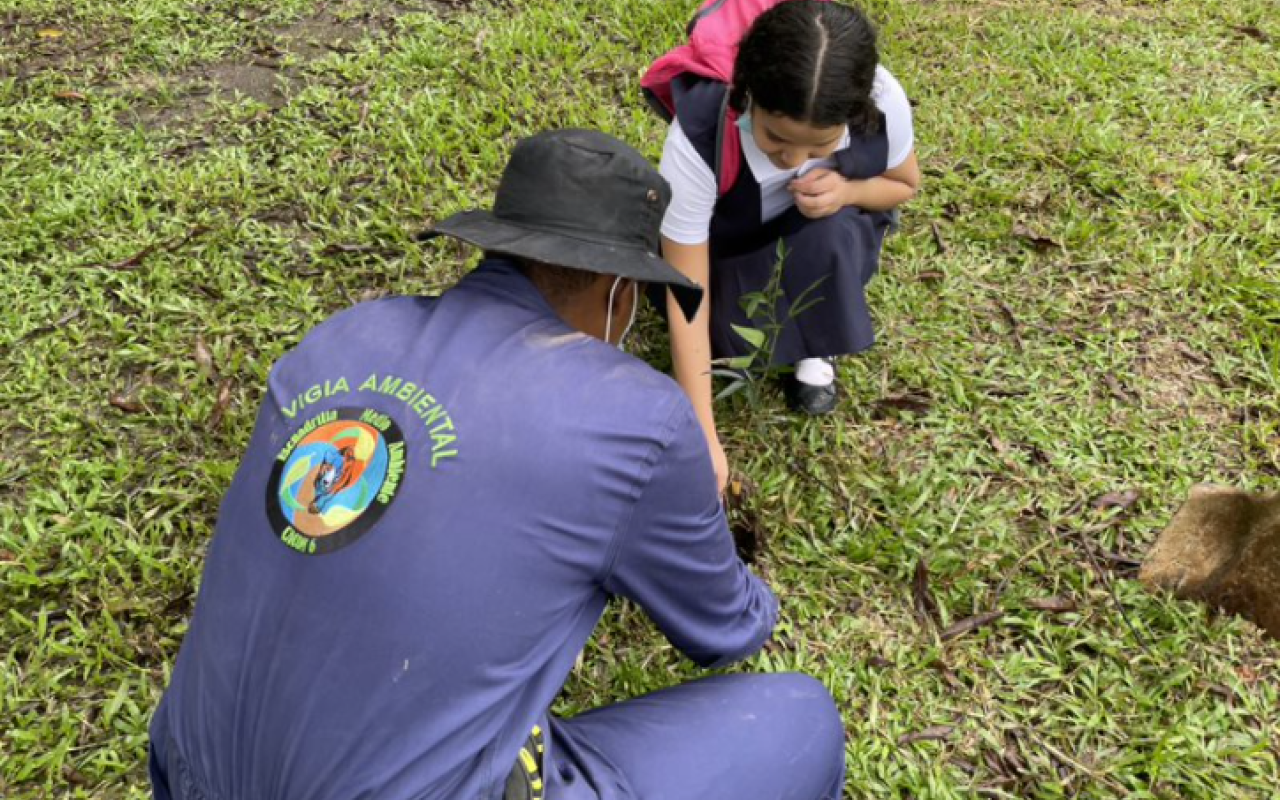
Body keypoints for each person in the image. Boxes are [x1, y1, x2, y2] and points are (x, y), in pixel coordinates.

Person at [147, 129, 846, 800]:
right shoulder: (636, 416)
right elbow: (726, 631)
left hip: (184, 772)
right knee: (800, 717)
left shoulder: (342, 336)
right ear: (620, 292)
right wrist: (749, 579)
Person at [651, 0, 921, 490]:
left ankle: (816, 348)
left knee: (834, 233)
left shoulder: (882, 99)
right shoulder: (700, 133)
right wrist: (704, 435)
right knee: (719, 342)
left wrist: (849, 191)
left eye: (820, 147)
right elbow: (685, 290)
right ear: (746, 93)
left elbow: (903, 183)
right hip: (727, 245)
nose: (790, 159)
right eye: (774, 137)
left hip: (817, 234)